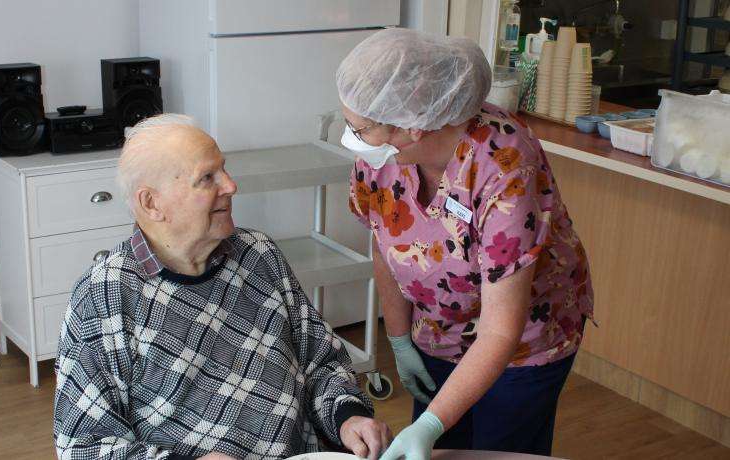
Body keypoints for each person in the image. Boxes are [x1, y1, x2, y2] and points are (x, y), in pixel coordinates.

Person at [53, 114, 392, 460]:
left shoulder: (259, 256)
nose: (230, 186)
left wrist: (347, 417)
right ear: (151, 203)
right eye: (207, 178)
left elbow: (322, 361)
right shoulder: (103, 296)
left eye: (224, 170)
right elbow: (83, 446)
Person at [335, 28, 594, 459]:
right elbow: (385, 243)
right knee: (440, 450)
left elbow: (500, 330)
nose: (353, 139)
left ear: (412, 127)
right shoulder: (378, 160)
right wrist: (399, 339)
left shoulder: (505, 167)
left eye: (361, 128)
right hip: (439, 331)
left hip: (523, 342)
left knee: (499, 450)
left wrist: (430, 424)